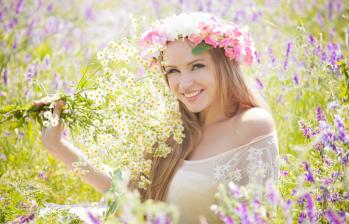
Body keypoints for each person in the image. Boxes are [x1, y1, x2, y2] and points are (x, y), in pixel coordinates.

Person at [35, 12, 279, 223]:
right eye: (173, 71)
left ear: (224, 65)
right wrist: (56, 145)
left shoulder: (250, 125)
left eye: (197, 66)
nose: (184, 83)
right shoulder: (175, 131)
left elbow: (263, 215)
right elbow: (126, 194)